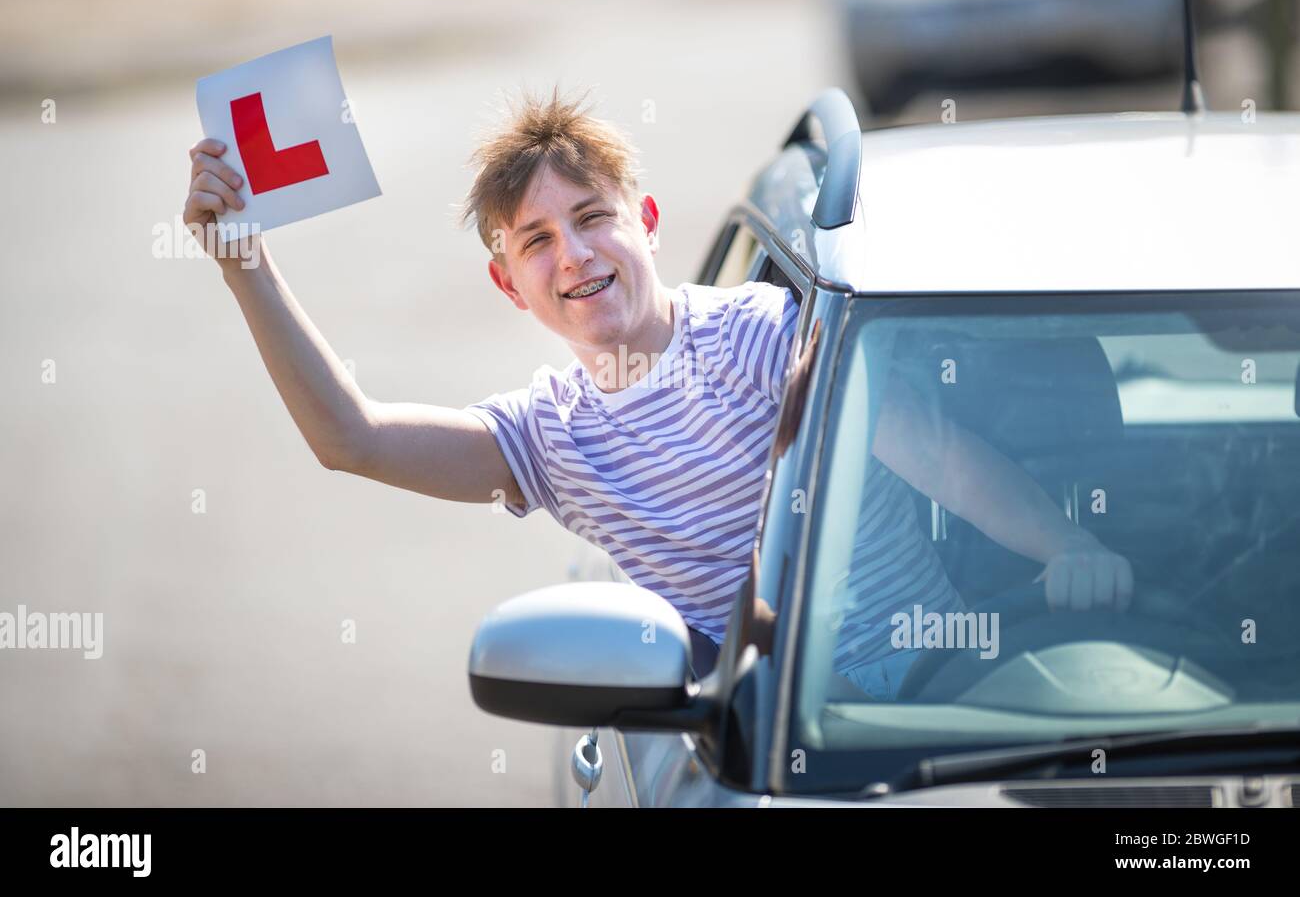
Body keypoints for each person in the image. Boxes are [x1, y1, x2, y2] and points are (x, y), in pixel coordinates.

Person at [183, 87, 1132, 697]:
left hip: (948, 685)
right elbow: (354, 438)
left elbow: (940, 456)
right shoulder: (550, 440)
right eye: (538, 240)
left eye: (593, 218)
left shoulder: (759, 331)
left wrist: (1070, 545)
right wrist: (245, 266)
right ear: (509, 283)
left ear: (645, 221)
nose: (576, 254)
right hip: (770, 734)